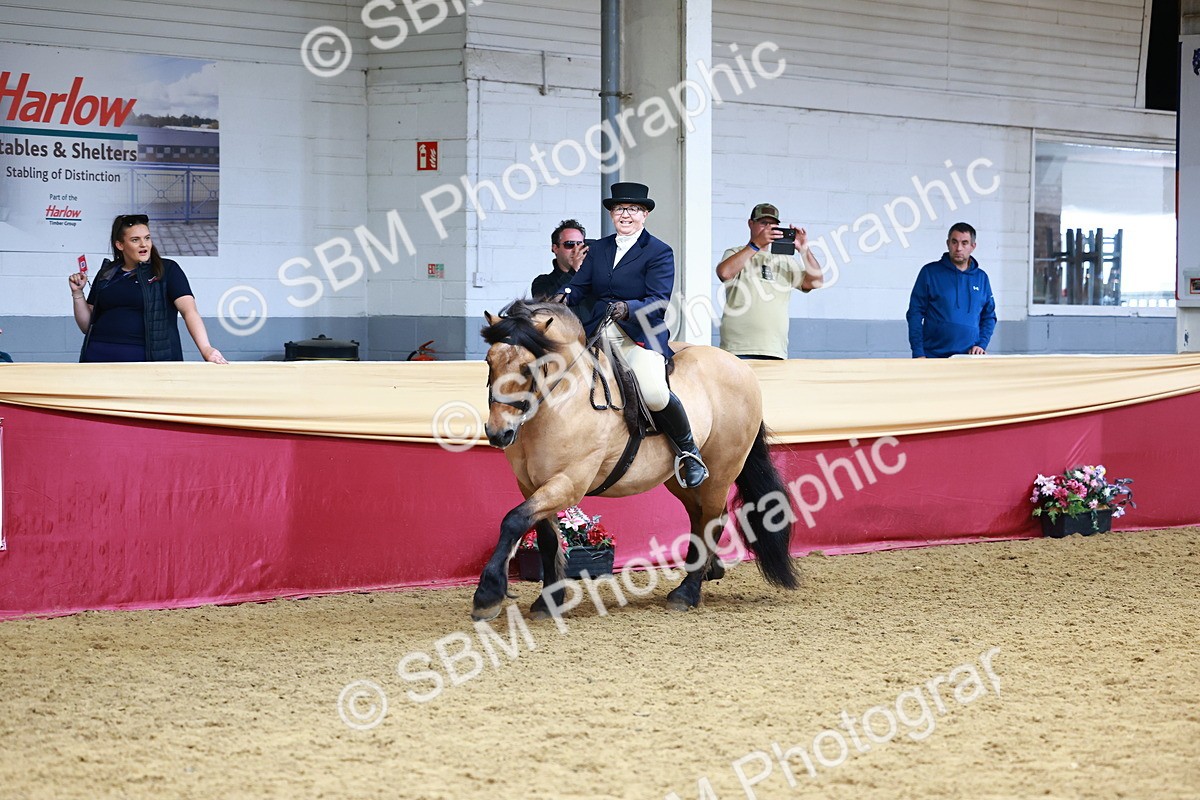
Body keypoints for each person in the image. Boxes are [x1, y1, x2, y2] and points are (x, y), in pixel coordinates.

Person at [556, 181, 709, 488]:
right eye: (619, 209)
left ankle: (689, 452)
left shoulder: (659, 251)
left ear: (644, 215)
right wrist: (561, 296)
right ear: (612, 214)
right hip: (597, 331)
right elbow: (579, 286)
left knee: (653, 391)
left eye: (633, 209)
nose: (625, 214)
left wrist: (628, 308)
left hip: (638, 334)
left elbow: (659, 300)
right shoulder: (599, 249)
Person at [69, 214, 228, 363]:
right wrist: (77, 293)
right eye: (135, 240)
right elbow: (86, 326)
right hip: (97, 355)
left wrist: (206, 349)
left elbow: (189, 312)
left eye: (147, 238)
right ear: (120, 245)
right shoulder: (107, 273)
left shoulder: (167, 269)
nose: (144, 244)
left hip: (145, 360)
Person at [716, 202, 824, 360]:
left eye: (772, 225)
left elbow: (816, 282)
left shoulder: (785, 260)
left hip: (774, 349)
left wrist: (804, 249)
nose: (768, 228)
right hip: (737, 347)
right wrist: (756, 245)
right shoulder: (735, 253)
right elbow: (724, 273)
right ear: (750, 224)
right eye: (763, 223)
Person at [906, 222, 996, 358]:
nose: (959, 248)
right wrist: (918, 352)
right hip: (933, 356)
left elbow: (989, 316)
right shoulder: (930, 272)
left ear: (973, 246)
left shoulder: (982, 278)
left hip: (968, 357)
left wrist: (981, 344)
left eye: (964, 243)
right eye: (954, 242)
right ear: (948, 243)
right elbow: (915, 313)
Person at [531, 219, 589, 299]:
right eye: (569, 244)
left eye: (579, 245)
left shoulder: (592, 279)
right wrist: (573, 271)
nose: (575, 250)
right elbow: (546, 303)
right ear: (555, 248)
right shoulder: (543, 281)